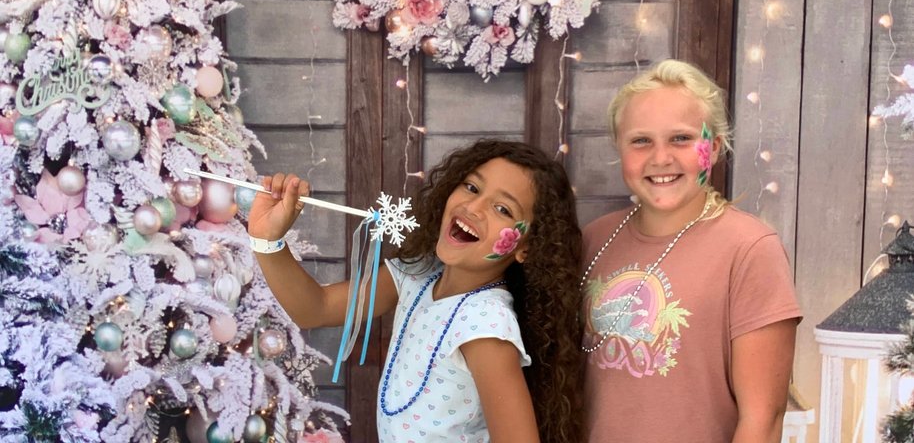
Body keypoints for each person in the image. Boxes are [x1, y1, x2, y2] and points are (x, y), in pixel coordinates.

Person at [248, 139, 584, 443]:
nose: (474, 207)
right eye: (471, 187)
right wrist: (267, 239)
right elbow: (315, 308)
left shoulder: (486, 328)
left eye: (503, 209)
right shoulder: (417, 275)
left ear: (526, 248)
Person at [581, 59, 802, 442]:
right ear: (620, 147)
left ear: (713, 147)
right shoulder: (594, 239)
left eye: (681, 139)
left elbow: (763, 418)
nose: (660, 158)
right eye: (640, 140)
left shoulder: (749, 249)